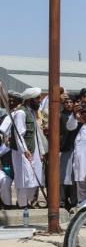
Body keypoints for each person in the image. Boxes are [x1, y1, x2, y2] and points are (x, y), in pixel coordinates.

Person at [11, 88, 45, 217]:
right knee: (24, 180)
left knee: (33, 180)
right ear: (30, 100)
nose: (40, 100)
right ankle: (22, 206)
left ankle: (27, 204)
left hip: (33, 151)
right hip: (23, 152)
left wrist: (41, 152)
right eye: (38, 98)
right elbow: (19, 134)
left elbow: (36, 134)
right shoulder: (21, 113)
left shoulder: (31, 112)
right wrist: (24, 150)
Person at [67, 89, 86, 202]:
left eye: (85, 103)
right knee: (81, 189)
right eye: (81, 103)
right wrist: (74, 115)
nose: (83, 105)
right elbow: (70, 126)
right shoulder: (77, 116)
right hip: (80, 163)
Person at [60, 93, 78, 209]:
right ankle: (62, 200)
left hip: (76, 148)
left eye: (71, 102)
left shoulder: (77, 115)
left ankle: (74, 201)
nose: (69, 104)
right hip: (65, 148)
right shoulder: (60, 116)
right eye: (66, 102)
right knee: (64, 176)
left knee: (74, 176)